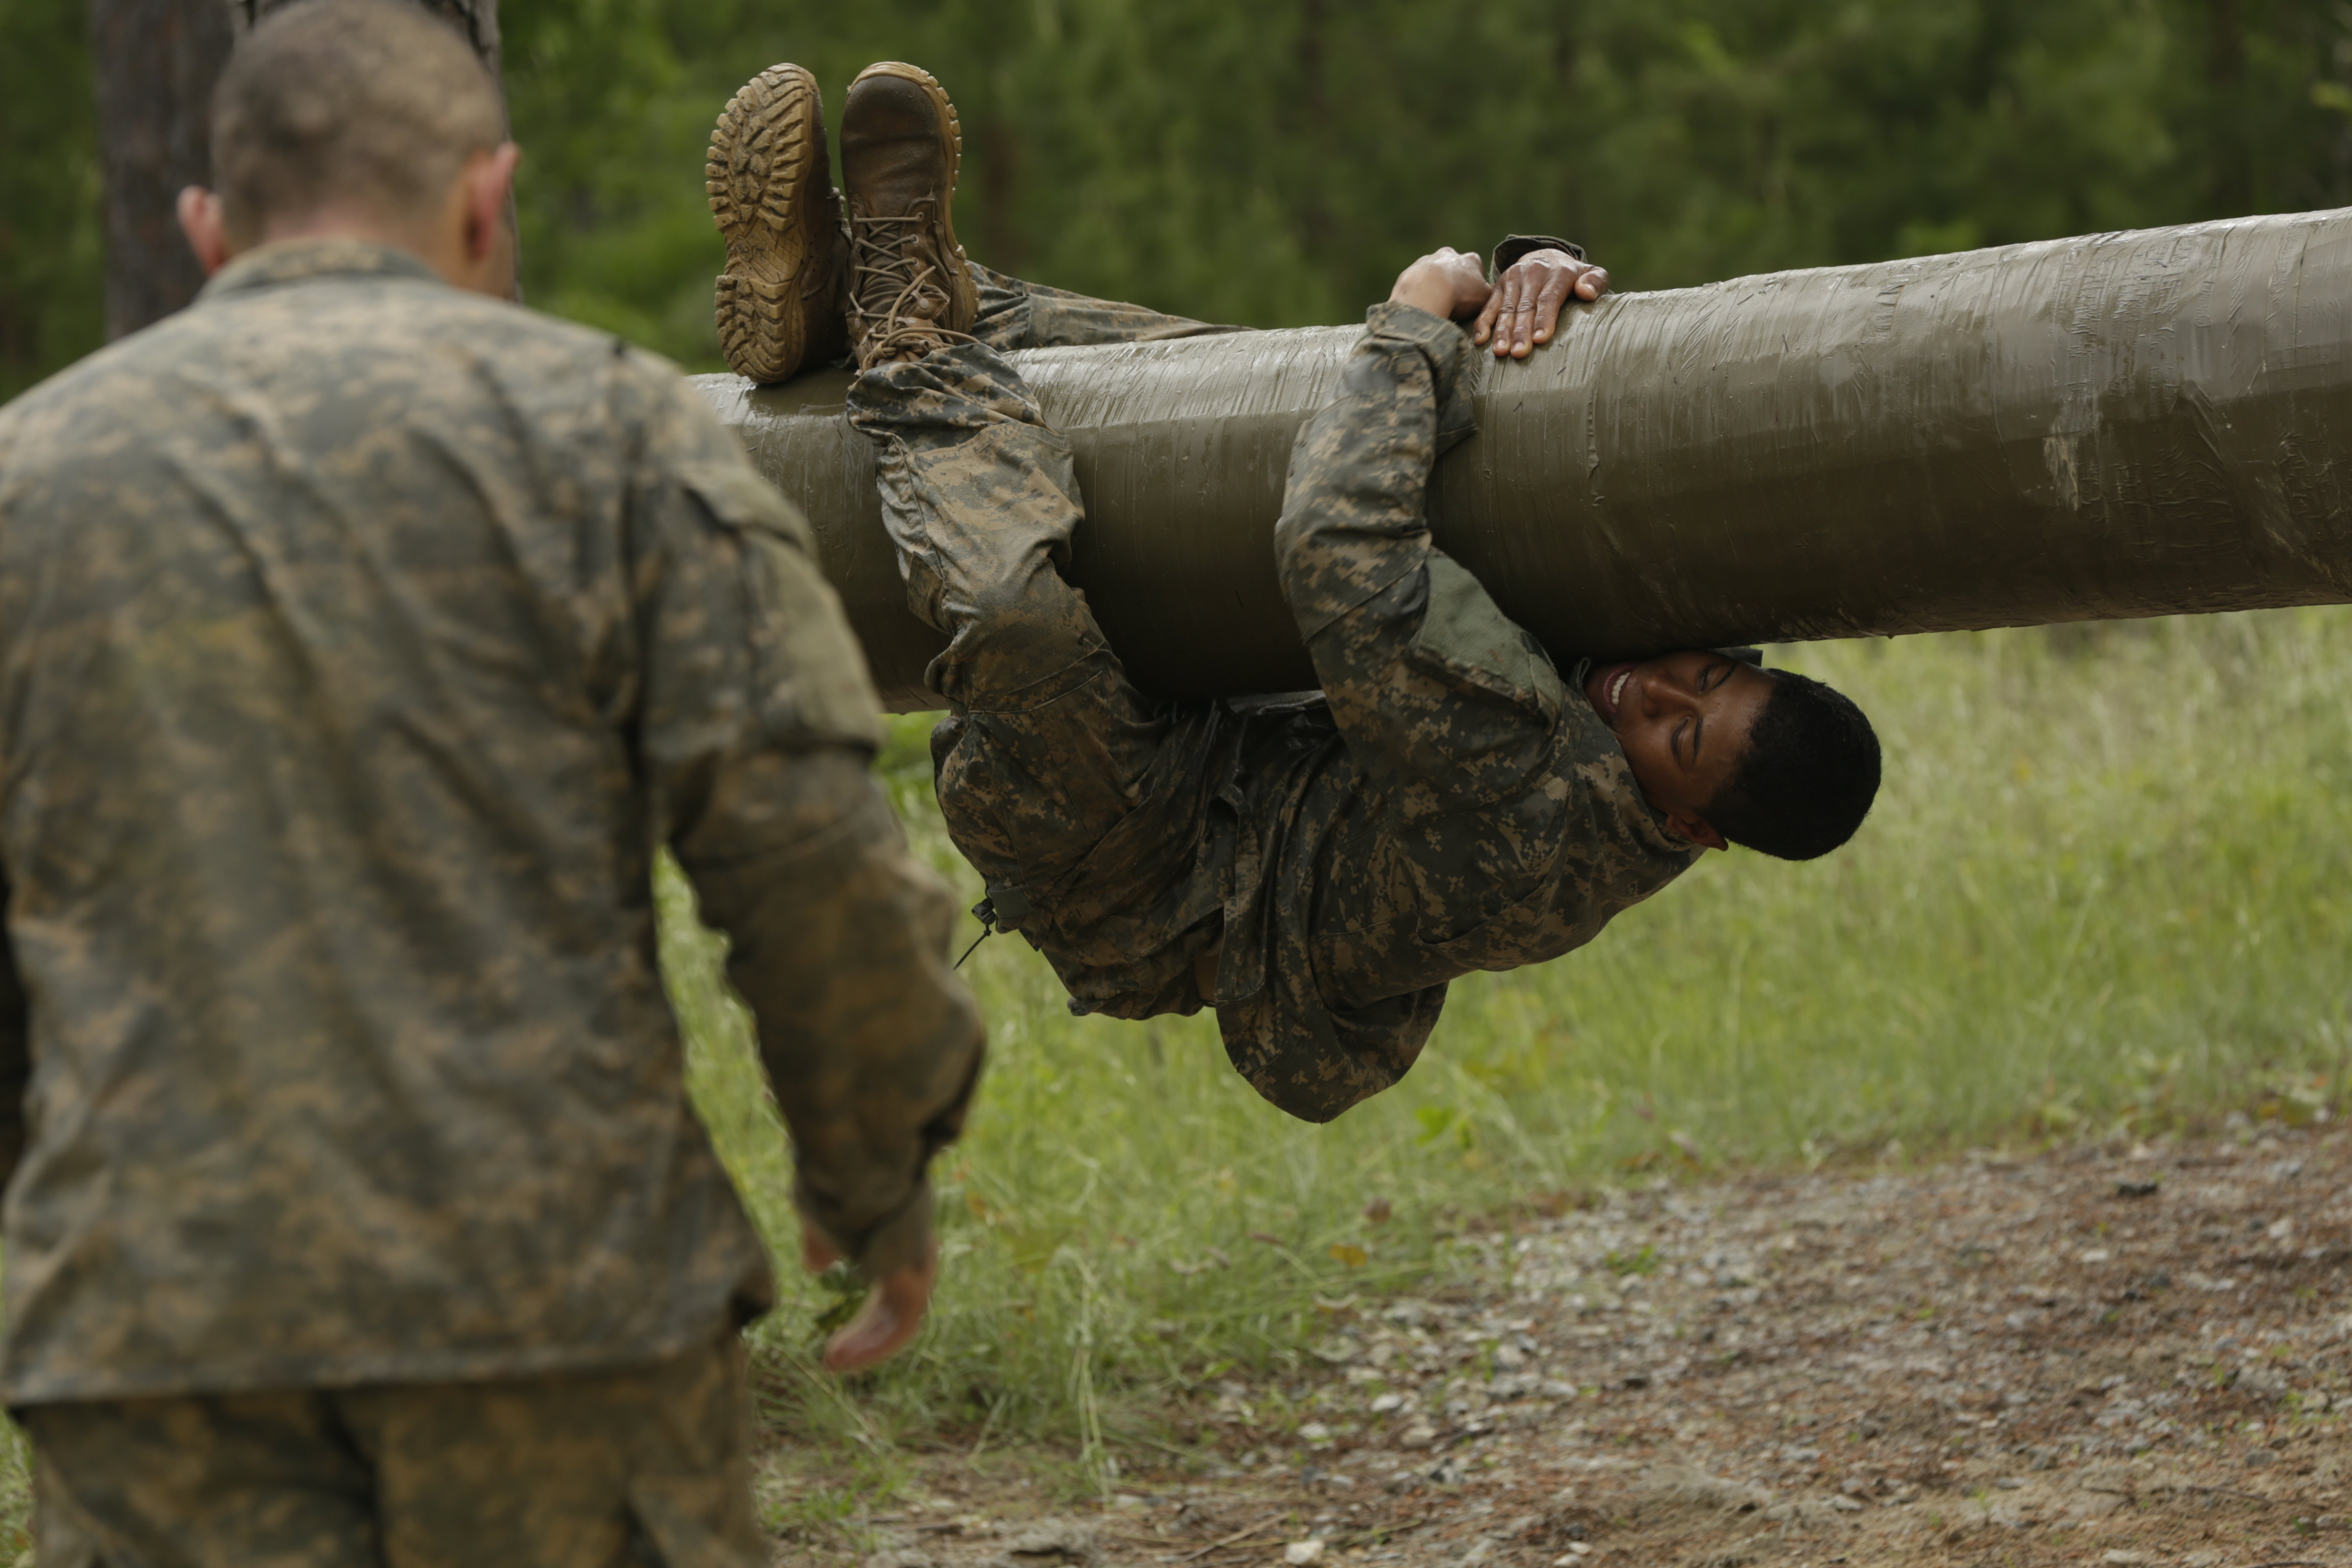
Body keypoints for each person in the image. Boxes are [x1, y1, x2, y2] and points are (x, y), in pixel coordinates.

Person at [0, 5, 985, 1564]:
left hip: (157, 1352)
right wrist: (875, 1177)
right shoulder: (618, 442)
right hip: (561, 1337)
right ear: (485, 200)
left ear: (206, 229)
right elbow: (810, 860)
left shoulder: (25, 485)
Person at [709, 62, 1878, 1125]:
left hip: (1137, 863)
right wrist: (1542, 274)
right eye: (1708, 676)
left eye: (1677, 733)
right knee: (1237, 404)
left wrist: (1425, 317)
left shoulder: (1536, 792)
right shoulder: (1663, 711)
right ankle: (874, 297)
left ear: (1688, 826)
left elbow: (1336, 548)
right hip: (1236, 731)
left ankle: (901, 327)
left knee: (1020, 617)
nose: (1656, 686)